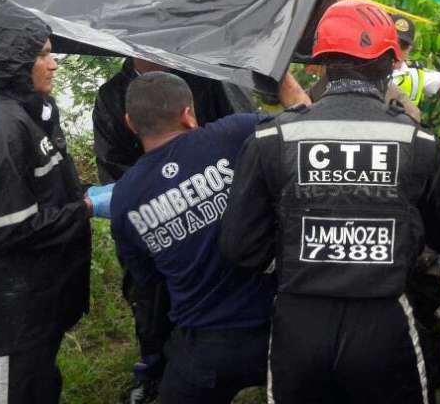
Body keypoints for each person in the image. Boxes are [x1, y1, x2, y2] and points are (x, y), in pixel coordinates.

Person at [218, 0, 440, 404]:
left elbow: (238, 246)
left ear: (320, 64)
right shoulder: (416, 142)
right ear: (392, 62)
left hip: (297, 323)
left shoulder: (271, 140)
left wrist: (296, 260)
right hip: (384, 322)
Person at [109, 70, 307, 403]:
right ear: (188, 114)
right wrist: (281, 74)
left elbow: (147, 281)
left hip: (203, 343)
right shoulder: (235, 132)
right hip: (280, 326)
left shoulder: (124, 198)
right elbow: (306, 121)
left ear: (131, 123)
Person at [92, 57, 255, 404]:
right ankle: (154, 368)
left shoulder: (204, 74)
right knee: (147, 292)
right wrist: (155, 190)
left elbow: (254, 138)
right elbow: (112, 165)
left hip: (221, 193)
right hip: (151, 205)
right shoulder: (111, 95)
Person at [0, 11, 92, 404]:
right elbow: (9, 229)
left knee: (38, 387)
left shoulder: (28, 112)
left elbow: (41, 188)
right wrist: (83, 209)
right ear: (10, 60)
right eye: (42, 54)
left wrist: (84, 192)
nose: (54, 62)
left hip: (30, 307)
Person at [392, 14, 440, 105]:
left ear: (410, 48)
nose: (396, 49)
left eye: (403, 46)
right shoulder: (371, 66)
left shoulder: (414, 73)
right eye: (392, 42)